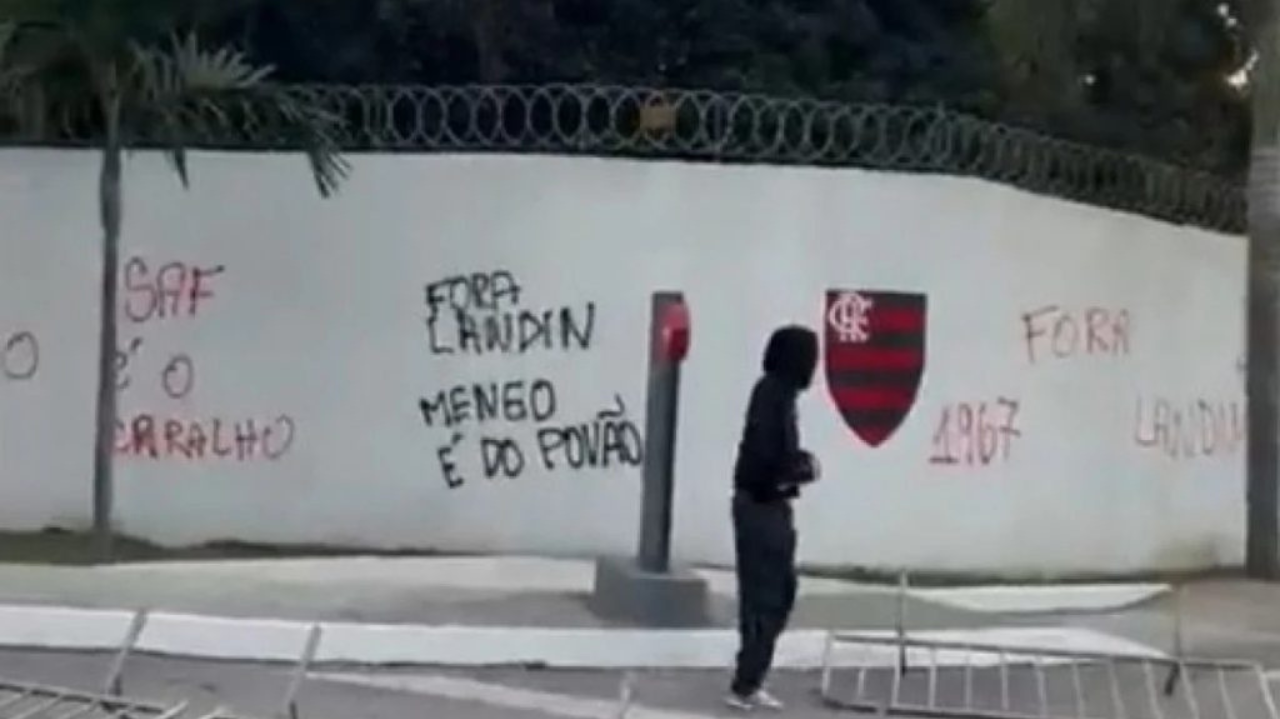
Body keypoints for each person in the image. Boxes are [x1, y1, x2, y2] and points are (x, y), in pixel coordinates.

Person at [726, 325, 821, 712]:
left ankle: (751, 677)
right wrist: (800, 468)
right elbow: (765, 458)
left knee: (780, 592)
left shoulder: (781, 396)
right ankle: (745, 682)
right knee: (765, 597)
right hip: (760, 505)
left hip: (771, 505)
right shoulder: (771, 395)